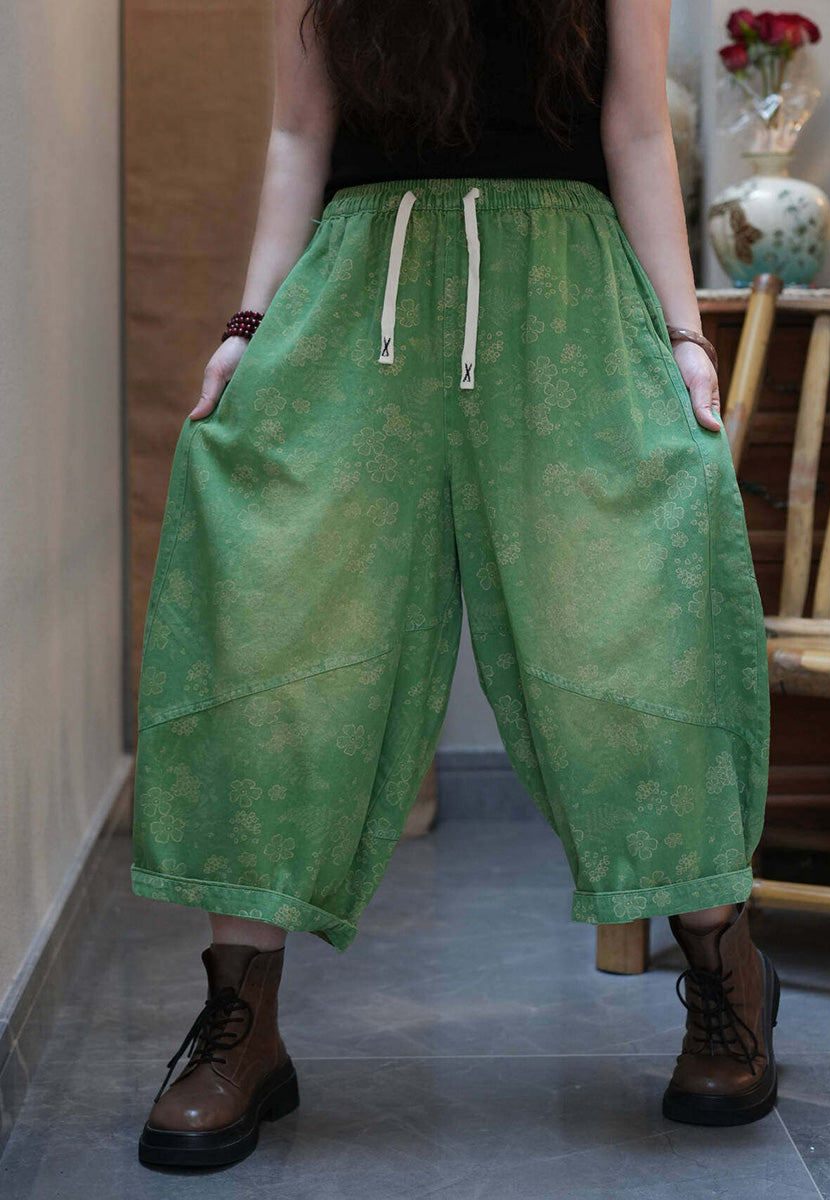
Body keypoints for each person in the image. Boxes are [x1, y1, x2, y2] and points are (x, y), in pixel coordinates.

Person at [133, 0, 778, 1170]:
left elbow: (638, 130)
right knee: (280, 634)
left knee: (628, 625)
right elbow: (298, 134)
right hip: (359, 299)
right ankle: (241, 1021)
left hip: (567, 296)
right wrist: (249, 324)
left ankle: (724, 969)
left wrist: (685, 340)